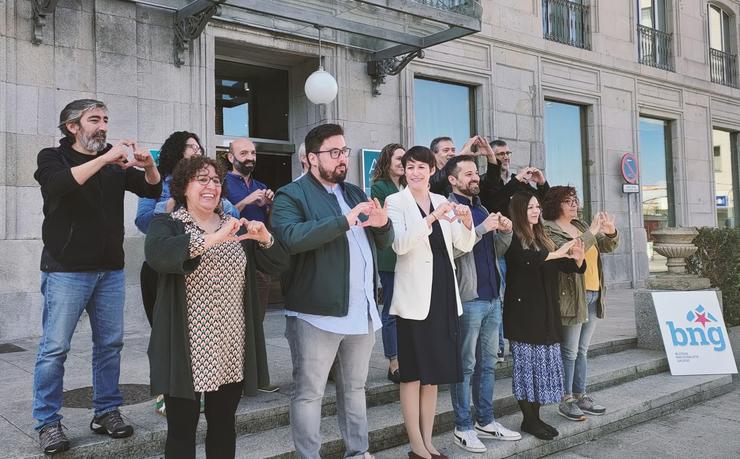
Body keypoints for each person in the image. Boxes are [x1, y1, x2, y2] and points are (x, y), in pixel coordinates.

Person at [32, 99, 162, 454]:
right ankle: (47, 422)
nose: (103, 126)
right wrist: (105, 159)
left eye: (105, 119)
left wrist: (149, 167)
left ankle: (106, 411)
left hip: (110, 269)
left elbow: (150, 188)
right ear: (73, 126)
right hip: (66, 270)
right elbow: (58, 186)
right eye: (94, 119)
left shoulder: (114, 164)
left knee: (110, 345)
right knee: (54, 348)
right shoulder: (52, 157)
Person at [145, 156, 288, 459]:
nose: (211, 186)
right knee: (181, 431)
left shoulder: (237, 227)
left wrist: (265, 239)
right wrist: (213, 239)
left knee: (223, 426)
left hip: (229, 345)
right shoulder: (167, 224)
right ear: (184, 186)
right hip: (185, 348)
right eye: (202, 179)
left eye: (216, 180)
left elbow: (278, 263)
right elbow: (159, 255)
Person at [271, 123, 393, 459]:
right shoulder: (290, 195)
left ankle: (359, 452)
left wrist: (383, 225)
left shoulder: (354, 192)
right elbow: (291, 238)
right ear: (312, 158)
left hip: (362, 310)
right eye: (334, 152)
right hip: (315, 314)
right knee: (309, 393)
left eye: (345, 151)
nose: (343, 159)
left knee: (355, 389)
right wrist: (344, 221)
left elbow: (384, 241)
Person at [134, 131, 238, 416]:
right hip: (166, 265)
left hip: (208, 267)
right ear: (176, 151)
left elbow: (230, 212)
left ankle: (206, 386)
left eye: (199, 147)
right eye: (191, 146)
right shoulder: (161, 183)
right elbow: (144, 222)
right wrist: (170, 206)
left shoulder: (214, 189)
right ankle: (166, 392)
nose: (197, 149)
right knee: (166, 332)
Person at [386, 146, 475, 459]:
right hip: (414, 299)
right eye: (410, 167)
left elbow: (462, 245)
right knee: (412, 374)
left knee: (433, 374)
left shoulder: (442, 200)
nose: (415, 173)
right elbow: (399, 244)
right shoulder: (395, 202)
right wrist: (431, 219)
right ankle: (415, 445)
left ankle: (428, 441)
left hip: (443, 295)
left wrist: (465, 221)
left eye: (421, 167)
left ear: (431, 170)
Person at [444, 156, 521, 453]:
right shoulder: (449, 208)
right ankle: (462, 426)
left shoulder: (482, 208)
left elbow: (497, 251)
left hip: (492, 297)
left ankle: (485, 421)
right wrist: (480, 230)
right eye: (468, 174)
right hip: (469, 298)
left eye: (476, 172)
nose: (475, 178)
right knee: (465, 366)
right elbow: (451, 251)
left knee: (488, 365)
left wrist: (505, 230)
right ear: (453, 180)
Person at [503, 192, 586, 440]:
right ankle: (529, 420)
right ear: (519, 210)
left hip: (547, 311)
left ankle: (535, 418)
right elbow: (526, 260)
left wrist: (577, 260)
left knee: (542, 369)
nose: (535, 211)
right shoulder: (513, 237)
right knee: (527, 369)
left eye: (537, 206)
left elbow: (561, 264)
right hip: (524, 314)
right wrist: (558, 253)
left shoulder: (543, 236)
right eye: (530, 207)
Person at [542, 186, 619, 421]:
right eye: (568, 201)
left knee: (583, 350)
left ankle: (581, 395)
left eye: (575, 200)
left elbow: (606, 246)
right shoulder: (548, 228)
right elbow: (571, 252)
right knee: (570, 350)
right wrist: (594, 230)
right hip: (572, 294)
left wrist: (610, 231)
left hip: (594, 292)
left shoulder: (581, 226)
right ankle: (566, 399)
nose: (574, 204)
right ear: (556, 204)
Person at [224, 137, 279, 393]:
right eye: (243, 152)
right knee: (233, 319)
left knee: (256, 318)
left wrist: (269, 205)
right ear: (230, 157)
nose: (250, 157)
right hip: (232, 255)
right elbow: (219, 215)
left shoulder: (261, 185)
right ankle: (232, 378)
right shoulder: (222, 183)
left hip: (259, 257)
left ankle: (255, 378)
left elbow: (270, 221)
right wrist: (246, 202)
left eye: (253, 153)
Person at [370, 142, 405, 384]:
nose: (403, 163)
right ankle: (393, 362)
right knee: (392, 310)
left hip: (409, 256)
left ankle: (406, 356)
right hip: (390, 256)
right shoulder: (379, 187)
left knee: (406, 312)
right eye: (398, 159)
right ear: (387, 162)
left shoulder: (408, 186)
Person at [479, 139, 550, 217]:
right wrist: (516, 180)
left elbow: (543, 202)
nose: (506, 157)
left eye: (508, 153)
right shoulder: (484, 181)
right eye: (501, 154)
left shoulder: (519, 180)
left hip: (521, 227)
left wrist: (542, 183)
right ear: (490, 157)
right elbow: (494, 203)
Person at [428, 136, 498, 195]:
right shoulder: (427, 174)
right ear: (433, 154)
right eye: (446, 150)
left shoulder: (460, 172)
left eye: (453, 150)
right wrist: (461, 155)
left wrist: (491, 156)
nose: (451, 153)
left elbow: (489, 185)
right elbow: (434, 184)